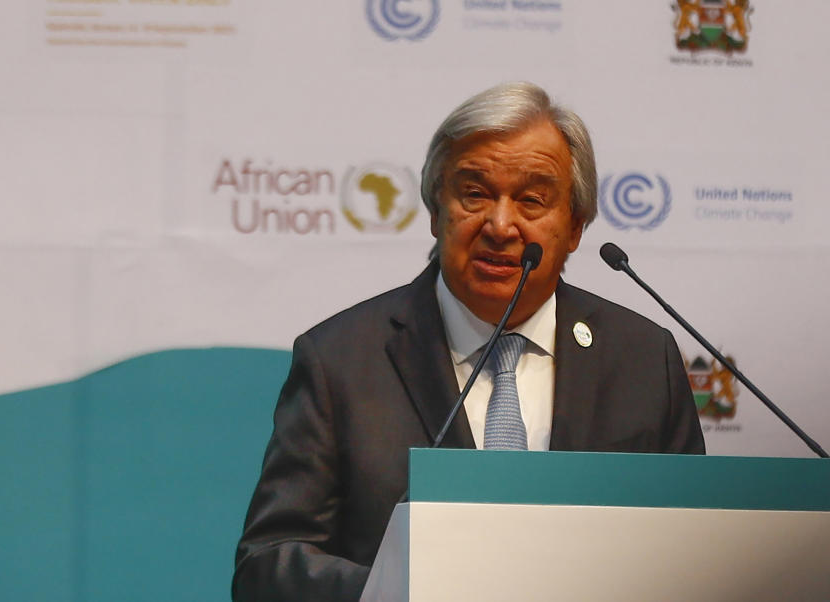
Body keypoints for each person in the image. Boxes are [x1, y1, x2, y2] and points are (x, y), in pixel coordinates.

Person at [232, 82, 705, 602]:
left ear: (576, 226)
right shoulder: (342, 361)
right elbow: (267, 566)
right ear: (435, 211)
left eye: (531, 199)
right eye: (475, 193)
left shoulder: (642, 359)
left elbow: (695, 553)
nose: (500, 225)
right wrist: (402, 589)